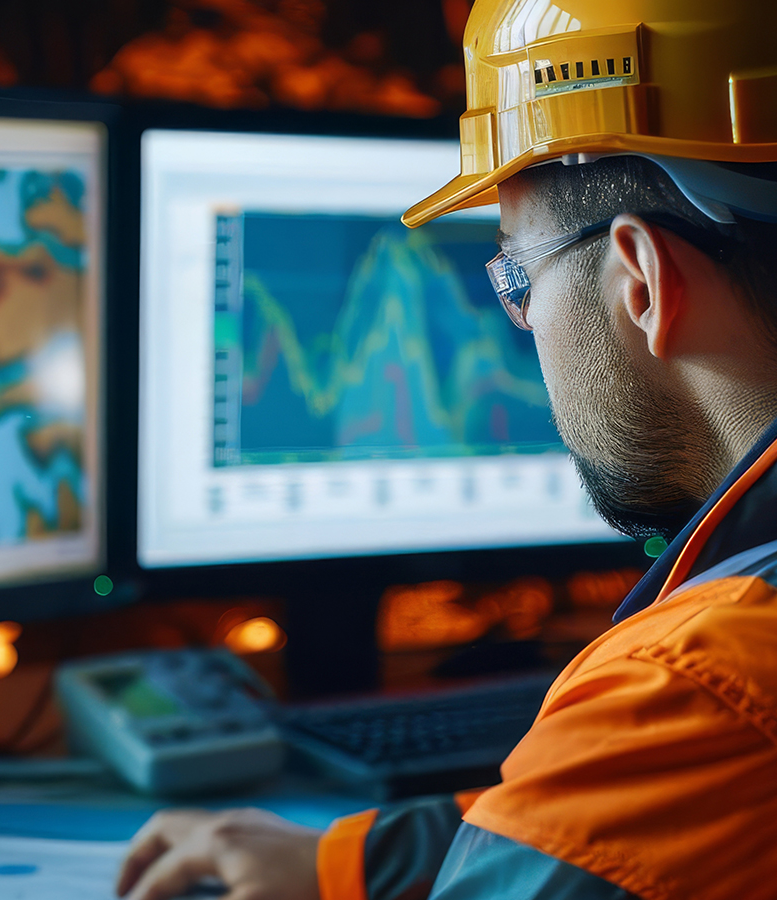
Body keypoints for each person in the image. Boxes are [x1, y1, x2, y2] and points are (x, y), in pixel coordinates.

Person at [115, 1, 777, 898]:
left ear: (643, 282)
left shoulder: (707, 684)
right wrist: (349, 864)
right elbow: (634, 829)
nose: (524, 320)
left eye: (518, 275)